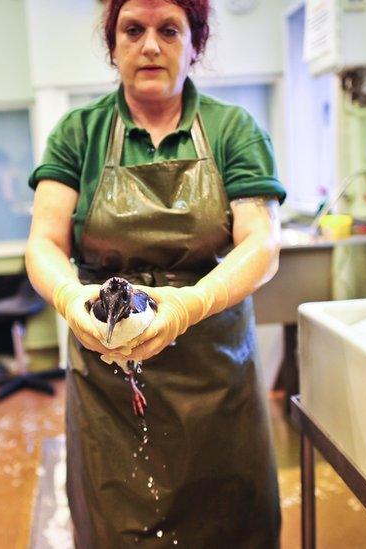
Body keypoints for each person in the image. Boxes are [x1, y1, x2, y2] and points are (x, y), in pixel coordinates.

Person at [25, 0, 284, 546]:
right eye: (133, 30)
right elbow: (45, 242)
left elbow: (261, 242)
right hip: (108, 377)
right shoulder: (79, 132)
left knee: (227, 524)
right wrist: (72, 299)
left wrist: (190, 304)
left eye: (169, 30)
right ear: (112, 44)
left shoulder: (232, 128)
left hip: (215, 372)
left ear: (196, 44)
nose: (149, 46)